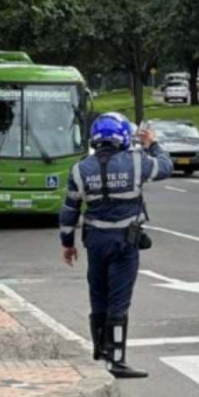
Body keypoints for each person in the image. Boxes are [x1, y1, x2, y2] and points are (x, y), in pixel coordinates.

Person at [59, 113, 172, 378]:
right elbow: (165, 167)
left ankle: (101, 349)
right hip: (124, 242)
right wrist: (151, 144)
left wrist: (67, 243)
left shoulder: (80, 169)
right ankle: (117, 359)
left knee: (98, 295)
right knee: (119, 301)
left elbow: (69, 210)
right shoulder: (136, 161)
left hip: (95, 242)